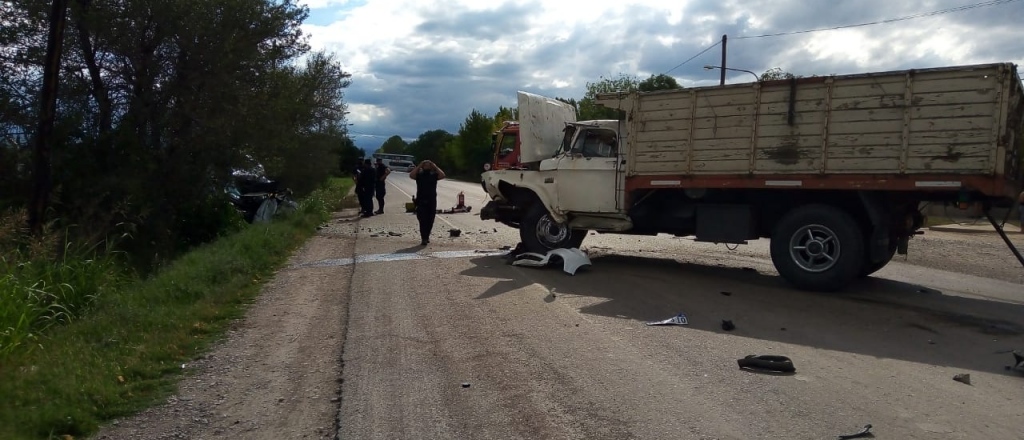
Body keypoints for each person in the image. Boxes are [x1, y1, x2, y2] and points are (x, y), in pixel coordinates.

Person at [409, 159, 446, 245]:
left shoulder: (433, 175)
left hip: (431, 200)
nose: (427, 166)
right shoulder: (419, 175)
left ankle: (427, 236)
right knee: (422, 220)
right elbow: (411, 175)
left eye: (428, 165)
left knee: (430, 219)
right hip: (421, 200)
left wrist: (435, 166)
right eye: (425, 165)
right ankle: (424, 238)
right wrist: (419, 165)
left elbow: (443, 175)